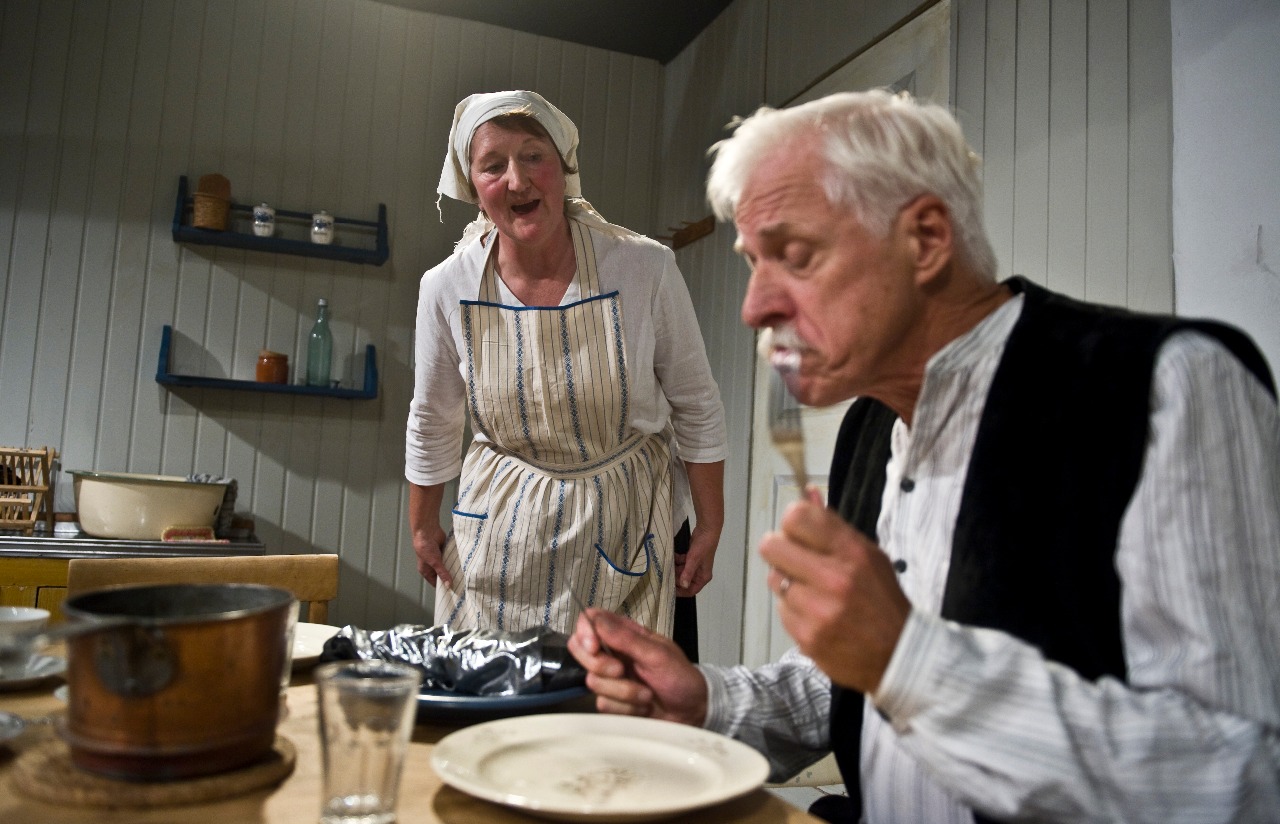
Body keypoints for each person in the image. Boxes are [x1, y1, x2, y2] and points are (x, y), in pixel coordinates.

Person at [568, 88, 1280, 823]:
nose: (755, 307)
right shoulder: (871, 423)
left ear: (928, 239)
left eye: (795, 255)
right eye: (754, 262)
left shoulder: (1164, 386)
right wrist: (708, 702)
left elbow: (1244, 777)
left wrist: (910, 661)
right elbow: (858, 683)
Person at [405, 90, 726, 652]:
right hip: (499, 537)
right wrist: (422, 525)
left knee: (626, 700)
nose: (517, 180)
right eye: (492, 165)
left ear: (565, 165)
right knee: (494, 699)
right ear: (472, 186)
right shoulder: (446, 286)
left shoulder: (643, 268)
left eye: (534, 156)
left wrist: (709, 523)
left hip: (629, 528)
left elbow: (695, 401)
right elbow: (433, 416)